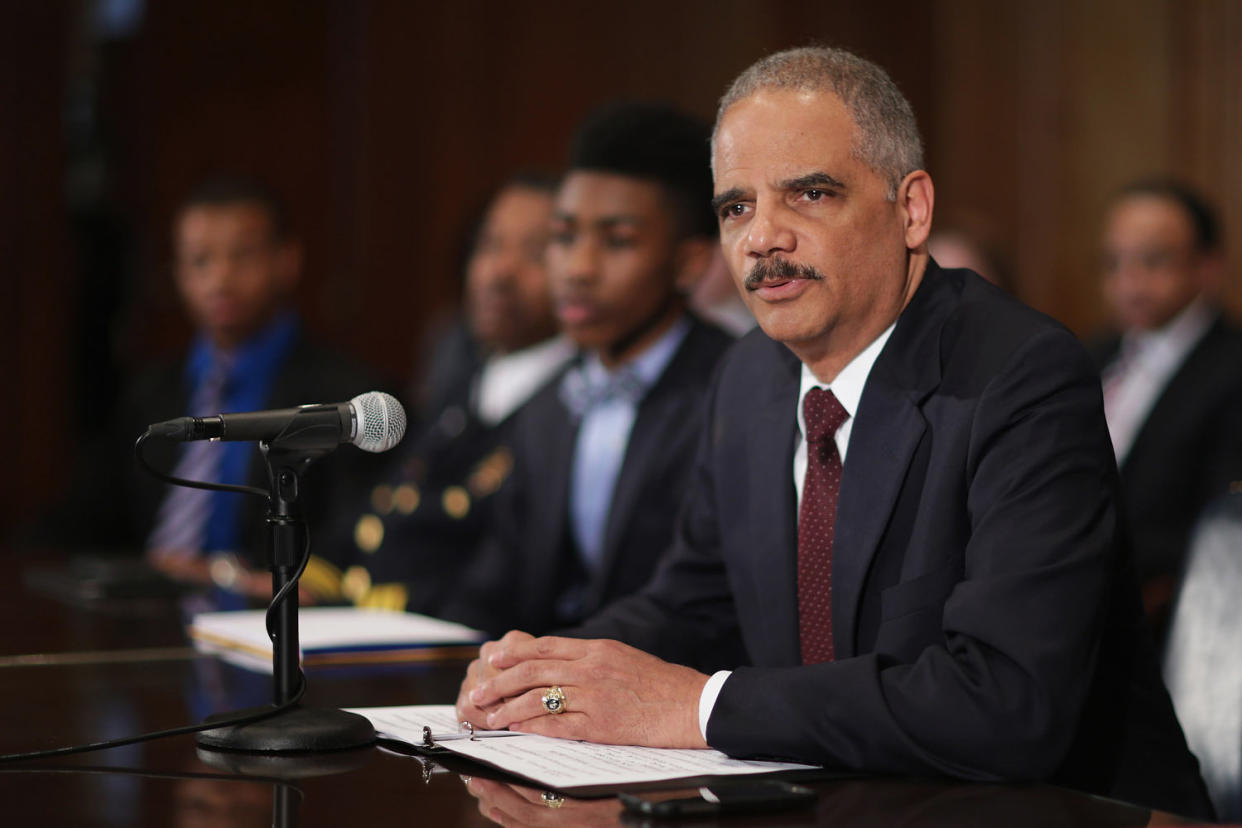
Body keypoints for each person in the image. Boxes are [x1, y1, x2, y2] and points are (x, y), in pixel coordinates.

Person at [454, 47, 1213, 819]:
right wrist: (543, 674)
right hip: (835, 800)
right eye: (736, 208)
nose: (762, 238)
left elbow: (1006, 702)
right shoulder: (750, 378)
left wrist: (700, 706)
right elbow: (695, 601)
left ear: (911, 209)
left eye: (809, 194)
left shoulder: (1019, 374)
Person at [434, 102, 735, 637]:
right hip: (544, 698)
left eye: (617, 241)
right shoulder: (548, 403)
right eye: (564, 236)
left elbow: (706, 606)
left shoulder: (733, 392)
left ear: (690, 261)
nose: (577, 269)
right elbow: (494, 590)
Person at [36, 175, 384, 595]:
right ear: (177, 274)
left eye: (242, 256)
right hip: (147, 610)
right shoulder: (150, 389)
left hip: (266, 617)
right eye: (200, 261)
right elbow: (91, 514)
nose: (219, 279)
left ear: (287, 261)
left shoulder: (345, 394)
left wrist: (229, 577)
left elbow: (354, 541)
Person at [302, 174, 576, 610]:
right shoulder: (465, 376)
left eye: (534, 253)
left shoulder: (573, 402)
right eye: (489, 245)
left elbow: (504, 582)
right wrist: (311, 580)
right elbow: (385, 507)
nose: (499, 272)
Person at [1088, 180, 1242, 635]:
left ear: (1208, 266)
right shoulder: (1093, 354)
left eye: (1154, 261)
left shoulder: (1232, 368)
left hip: (1165, 616)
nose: (1129, 282)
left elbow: (1220, 523)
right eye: (1114, 262)